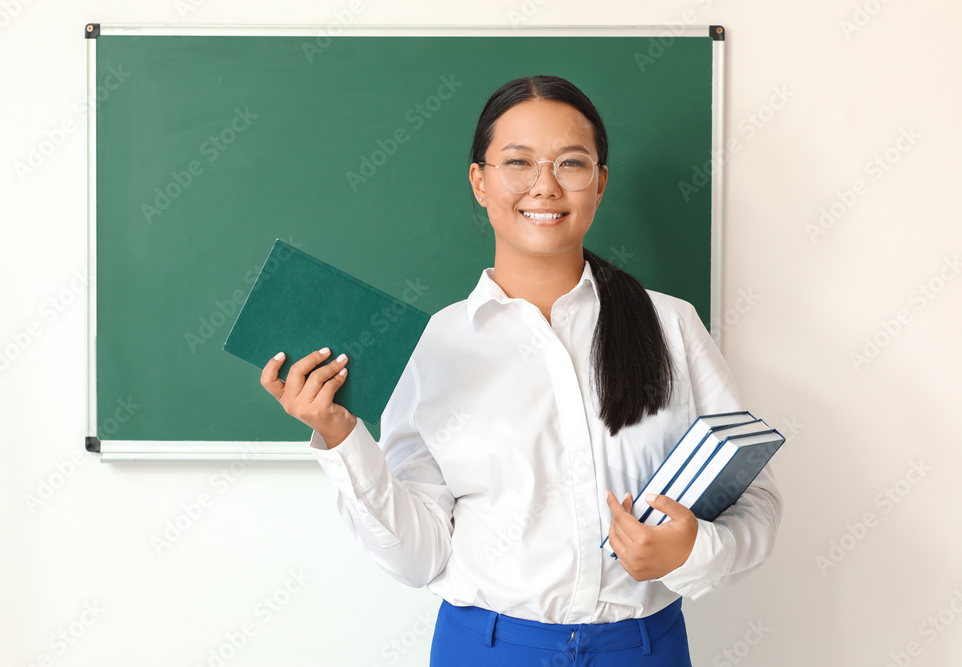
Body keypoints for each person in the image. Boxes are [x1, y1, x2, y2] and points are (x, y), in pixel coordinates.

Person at [259, 74, 783, 666]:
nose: (545, 185)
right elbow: (420, 557)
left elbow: (755, 500)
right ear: (479, 181)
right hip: (489, 649)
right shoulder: (434, 347)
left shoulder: (672, 326)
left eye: (571, 163)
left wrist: (692, 551)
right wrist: (340, 438)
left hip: (643, 648)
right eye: (518, 162)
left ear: (601, 182)